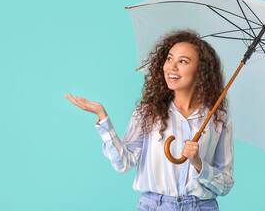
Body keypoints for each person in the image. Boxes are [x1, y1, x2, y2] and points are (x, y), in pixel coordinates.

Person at [65, 30, 234, 211]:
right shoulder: (147, 113)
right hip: (155, 206)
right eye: (169, 59)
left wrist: (199, 164)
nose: (172, 67)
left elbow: (225, 185)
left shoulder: (218, 120)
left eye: (183, 61)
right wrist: (102, 117)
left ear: (201, 70)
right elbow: (123, 163)